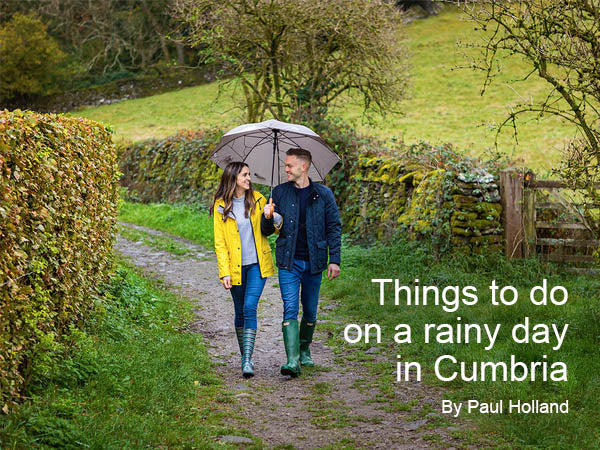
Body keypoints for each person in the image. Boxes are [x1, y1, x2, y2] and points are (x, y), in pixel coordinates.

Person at [262, 147, 341, 378]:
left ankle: (304, 349)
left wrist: (334, 259)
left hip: (314, 261)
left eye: (289, 165)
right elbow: (267, 231)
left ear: (303, 167)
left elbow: (334, 228)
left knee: (310, 311)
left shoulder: (324, 194)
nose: (285, 169)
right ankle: (292, 361)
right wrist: (267, 217)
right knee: (289, 308)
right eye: (285, 165)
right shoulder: (279, 193)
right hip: (289, 261)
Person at [211, 161, 278, 378]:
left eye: (249, 174)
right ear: (233, 179)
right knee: (239, 310)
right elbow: (220, 243)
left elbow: (273, 229)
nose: (249, 178)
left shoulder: (259, 199)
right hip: (235, 268)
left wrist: (272, 216)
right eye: (244, 175)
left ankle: (247, 360)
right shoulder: (221, 206)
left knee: (250, 306)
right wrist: (225, 272)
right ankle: (244, 356)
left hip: (258, 265)